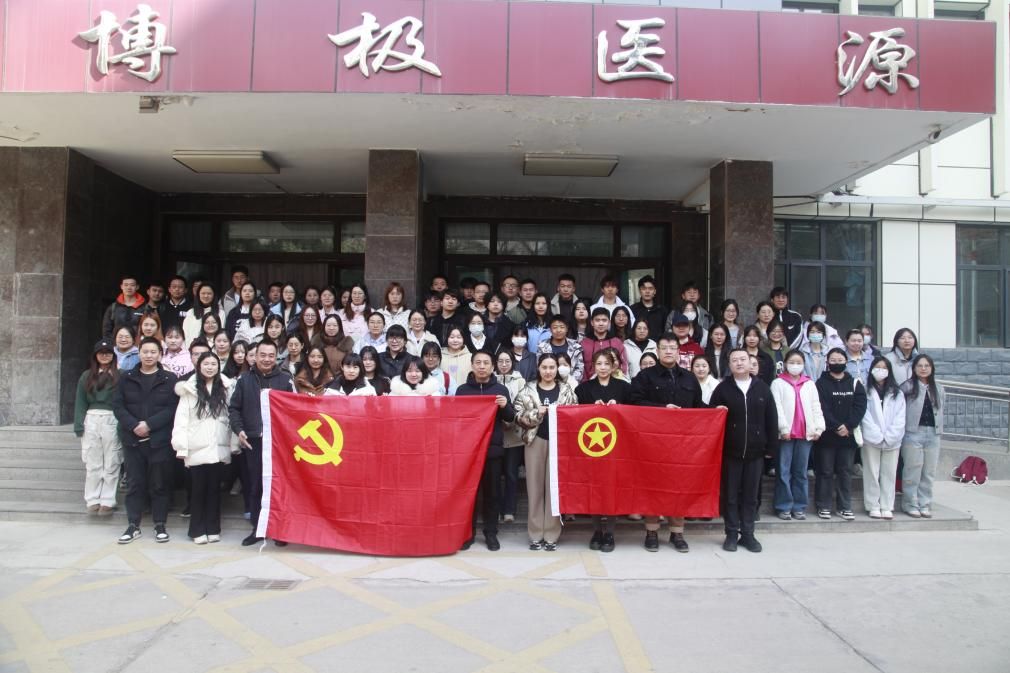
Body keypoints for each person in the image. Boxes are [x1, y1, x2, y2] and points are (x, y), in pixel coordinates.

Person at [629, 333, 703, 552]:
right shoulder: (645, 377)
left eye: (672, 347)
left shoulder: (689, 378)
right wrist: (663, 410)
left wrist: (716, 410)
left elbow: (698, 406)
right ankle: (651, 531)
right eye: (664, 347)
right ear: (658, 350)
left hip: (682, 445)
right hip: (652, 444)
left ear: (678, 351)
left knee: (679, 487)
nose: (669, 351)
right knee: (652, 486)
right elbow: (634, 402)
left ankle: (677, 533)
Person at [709, 349, 779, 553]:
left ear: (750, 363)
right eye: (734, 360)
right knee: (730, 495)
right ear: (729, 365)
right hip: (730, 451)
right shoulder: (723, 389)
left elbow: (771, 419)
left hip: (756, 452)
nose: (739, 363)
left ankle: (748, 534)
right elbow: (712, 418)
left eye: (742, 359)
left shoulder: (762, 388)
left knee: (751, 496)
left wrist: (771, 447)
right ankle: (731, 533)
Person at [112, 337, 179, 544]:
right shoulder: (126, 377)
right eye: (145, 351)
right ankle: (133, 524)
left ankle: (160, 524)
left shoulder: (169, 379)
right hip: (132, 440)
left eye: (153, 352)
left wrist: (149, 424)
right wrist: (134, 425)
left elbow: (172, 408)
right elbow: (118, 406)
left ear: (160, 354)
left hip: (159, 440)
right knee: (135, 484)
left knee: (159, 484)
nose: (149, 355)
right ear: (139, 353)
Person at [229, 339, 294, 546]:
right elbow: (234, 408)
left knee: (279, 485)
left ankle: (280, 530)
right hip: (254, 441)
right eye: (262, 355)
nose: (267, 359)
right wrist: (239, 430)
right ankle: (258, 529)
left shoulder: (285, 380)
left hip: (279, 443)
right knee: (256, 485)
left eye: (271, 355)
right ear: (255, 357)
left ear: (276, 358)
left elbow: (295, 410)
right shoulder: (244, 380)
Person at [514, 353, 578, 551]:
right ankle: (535, 534)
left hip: (559, 444)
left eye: (552, 367)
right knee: (534, 489)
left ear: (557, 369)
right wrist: (537, 413)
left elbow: (575, 414)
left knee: (554, 489)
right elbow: (517, 416)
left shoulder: (566, 390)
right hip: (535, 441)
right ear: (538, 368)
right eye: (544, 367)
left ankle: (551, 534)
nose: (548, 371)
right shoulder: (528, 389)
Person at [455, 350, 517, 551]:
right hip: (469, 452)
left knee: (492, 494)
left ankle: (491, 533)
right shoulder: (462, 390)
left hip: (493, 450)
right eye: (478, 362)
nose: (482, 366)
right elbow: (457, 420)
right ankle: (468, 533)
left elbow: (510, 418)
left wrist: (505, 406)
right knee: (469, 494)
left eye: (486, 363)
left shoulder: (500, 389)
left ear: (492, 366)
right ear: (472, 365)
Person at [172, 352, 236, 544]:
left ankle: (213, 528)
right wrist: (181, 447)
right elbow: (181, 420)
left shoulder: (226, 388)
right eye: (206, 364)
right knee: (198, 490)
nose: (210, 367)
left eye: (213, 364)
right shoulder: (189, 389)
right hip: (196, 446)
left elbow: (232, 417)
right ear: (199, 366)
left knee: (214, 490)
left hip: (217, 446)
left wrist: (233, 444)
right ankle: (197, 530)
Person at [575, 350, 632, 553]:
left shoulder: (624, 388)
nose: (603, 367)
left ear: (614, 365)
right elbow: (575, 415)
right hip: (592, 449)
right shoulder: (583, 389)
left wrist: (620, 407)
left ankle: (610, 532)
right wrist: (591, 408)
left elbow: (634, 414)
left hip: (617, 448)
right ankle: (597, 530)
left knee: (612, 489)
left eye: (607, 363)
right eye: (599, 364)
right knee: (595, 489)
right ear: (593, 366)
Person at [770, 350, 825, 521]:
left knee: (801, 472)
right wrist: (783, 429)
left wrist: (819, 428)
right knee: (783, 471)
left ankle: (799, 506)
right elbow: (777, 407)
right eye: (792, 362)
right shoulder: (778, 383)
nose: (795, 365)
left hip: (805, 434)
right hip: (786, 434)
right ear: (785, 364)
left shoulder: (809, 384)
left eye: (799, 362)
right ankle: (783, 506)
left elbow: (816, 406)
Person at [814, 348, 868, 521]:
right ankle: (823, 506)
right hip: (827, 436)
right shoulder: (820, 383)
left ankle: (844, 507)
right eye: (833, 360)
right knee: (825, 471)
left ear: (846, 362)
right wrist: (836, 426)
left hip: (848, 436)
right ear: (827, 363)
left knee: (845, 472)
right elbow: (821, 407)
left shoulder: (854, 383)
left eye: (840, 360)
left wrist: (849, 425)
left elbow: (860, 406)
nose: (836, 363)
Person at [74, 339, 122, 515]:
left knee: (112, 460)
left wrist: (122, 424)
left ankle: (108, 499)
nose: (104, 356)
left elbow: (124, 401)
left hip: (112, 417)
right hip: (92, 418)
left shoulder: (120, 375)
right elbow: (80, 401)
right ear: (95, 356)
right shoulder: (87, 375)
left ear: (113, 355)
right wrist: (79, 424)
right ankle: (92, 498)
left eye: (108, 353)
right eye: (101, 353)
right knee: (93, 461)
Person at [860, 357, 906, 520]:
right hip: (871, 439)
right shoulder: (865, 390)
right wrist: (876, 434)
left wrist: (891, 435)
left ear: (889, 371)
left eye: (884, 368)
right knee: (871, 472)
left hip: (892, 439)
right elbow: (864, 415)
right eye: (877, 367)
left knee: (889, 473)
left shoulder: (897, 393)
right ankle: (873, 505)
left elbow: (900, 417)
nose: (880, 370)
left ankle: (887, 506)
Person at [900, 354, 943, 518]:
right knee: (912, 470)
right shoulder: (907, 386)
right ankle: (910, 504)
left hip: (933, 434)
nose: (923, 369)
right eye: (920, 366)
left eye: (927, 366)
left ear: (932, 368)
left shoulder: (938, 388)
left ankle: (925, 503)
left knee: (929, 472)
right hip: (913, 433)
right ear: (914, 368)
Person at [495, 350, 526, 525]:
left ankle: (509, 510)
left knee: (511, 474)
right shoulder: (491, 380)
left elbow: (524, 404)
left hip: (515, 434)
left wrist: (511, 419)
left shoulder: (521, 381)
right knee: (495, 476)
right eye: (500, 361)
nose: (504, 364)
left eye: (507, 361)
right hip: (496, 435)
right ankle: (497, 509)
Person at [581, 308, 628, 382]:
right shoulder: (584, 343)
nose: (601, 323)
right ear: (592, 322)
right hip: (589, 384)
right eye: (597, 320)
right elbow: (581, 367)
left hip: (614, 383)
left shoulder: (617, 342)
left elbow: (623, 365)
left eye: (604, 320)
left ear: (609, 322)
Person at [537, 315, 585, 382]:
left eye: (562, 327)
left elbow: (579, 369)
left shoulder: (575, 346)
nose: (558, 330)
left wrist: (569, 382)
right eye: (555, 327)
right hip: (548, 383)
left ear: (567, 329)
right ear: (550, 329)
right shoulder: (542, 346)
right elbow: (539, 367)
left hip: (571, 384)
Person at [102, 274, 147, 340]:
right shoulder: (113, 307)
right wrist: (111, 344)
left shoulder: (145, 308)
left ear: (137, 287)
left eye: (132, 285)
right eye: (126, 285)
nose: (129, 287)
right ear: (121, 286)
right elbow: (106, 331)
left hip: (138, 344)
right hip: (116, 344)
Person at [182, 284, 222, 348]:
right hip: (192, 348)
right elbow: (185, 333)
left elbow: (221, 332)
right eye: (203, 293)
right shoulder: (191, 312)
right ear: (198, 295)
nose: (206, 296)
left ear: (214, 295)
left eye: (209, 293)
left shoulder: (220, 312)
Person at [630, 275, 668, 341]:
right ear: (640, 291)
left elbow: (666, 330)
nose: (647, 291)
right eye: (644, 288)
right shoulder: (632, 309)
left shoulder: (662, 310)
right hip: (637, 345)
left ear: (655, 291)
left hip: (657, 345)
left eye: (650, 288)